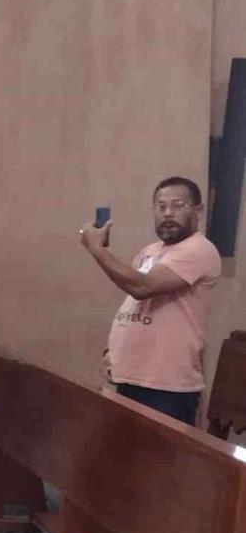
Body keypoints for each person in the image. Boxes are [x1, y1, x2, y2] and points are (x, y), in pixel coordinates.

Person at [80, 176, 221, 426]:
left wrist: (97, 250)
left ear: (197, 210)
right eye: (161, 206)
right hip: (131, 379)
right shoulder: (150, 251)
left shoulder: (199, 249)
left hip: (166, 387)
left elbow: (141, 287)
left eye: (177, 206)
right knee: (126, 459)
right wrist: (113, 351)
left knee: (159, 464)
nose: (168, 213)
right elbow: (134, 304)